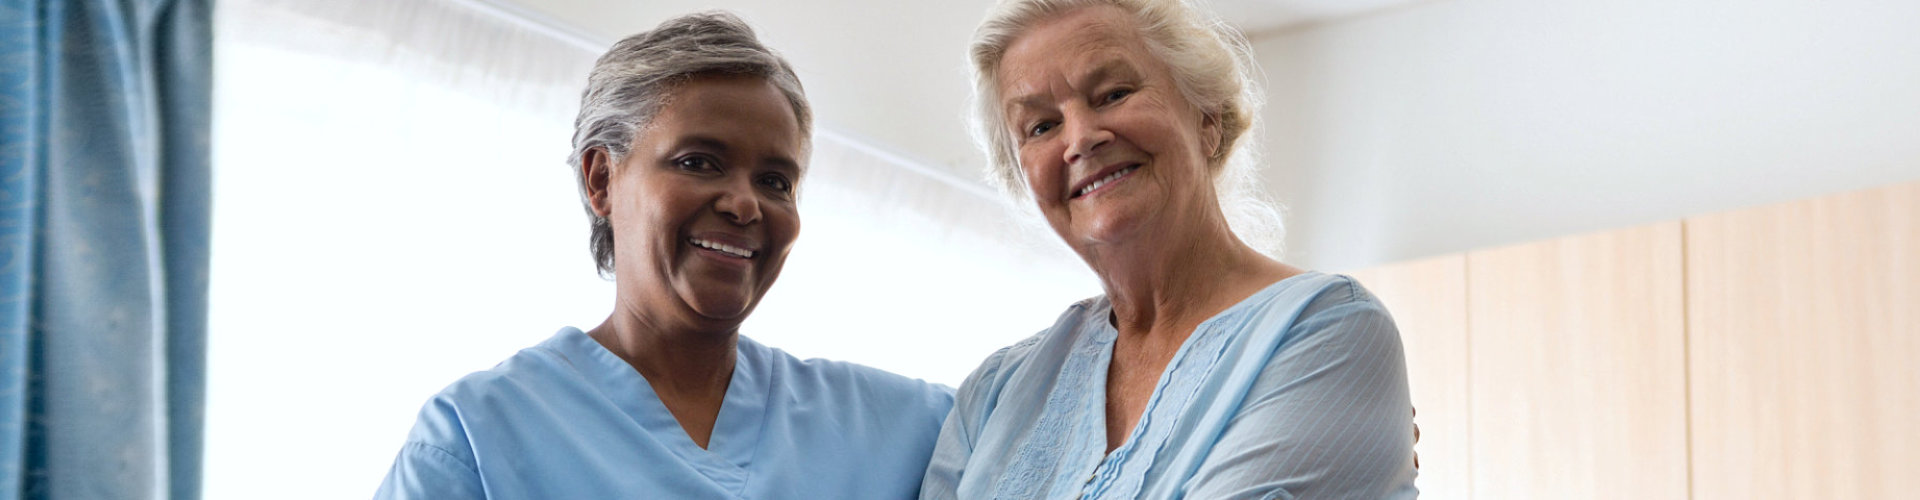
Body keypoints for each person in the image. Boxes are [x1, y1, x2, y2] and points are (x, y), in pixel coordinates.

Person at [375, 12, 952, 499]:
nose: (745, 204)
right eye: (698, 162)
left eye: (776, 181)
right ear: (602, 178)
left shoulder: (905, 429)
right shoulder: (478, 437)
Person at [920, 0, 1418, 498]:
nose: (1080, 139)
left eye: (1114, 93)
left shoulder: (1328, 330)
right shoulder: (995, 393)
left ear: (1207, 118)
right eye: (1042, 127)